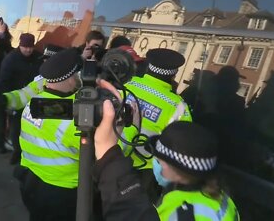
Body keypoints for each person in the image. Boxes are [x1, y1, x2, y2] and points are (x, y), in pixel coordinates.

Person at [92, 93, 240, 220]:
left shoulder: (182, 210)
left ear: (174, 170)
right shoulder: (220, 198)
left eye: (158, 161)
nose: (156, 165)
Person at [15, 48, 82, 221]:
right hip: (60, 190)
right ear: (69, 78)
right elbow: (102, 154)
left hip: (31, 181)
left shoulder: (36, 102)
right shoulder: (72, 118)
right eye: (77, 75)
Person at [124, 48, 192, 203]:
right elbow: (181, 147)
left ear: (148, 67)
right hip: (146, 174)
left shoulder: (128, 84)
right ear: (174, 75)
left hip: (114, 159)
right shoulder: (178, 106)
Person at [0, 33, 42, 164]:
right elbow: (3, 82)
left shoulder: (38, 57)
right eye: (25, 47)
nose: (28, 50)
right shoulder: (11, 59)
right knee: (15, 128)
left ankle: (30, 153)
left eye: (30, 47)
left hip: (34, 99)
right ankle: (17, 152)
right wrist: (9, 101)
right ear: (20, 45)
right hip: (17, 99)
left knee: (33, 128)